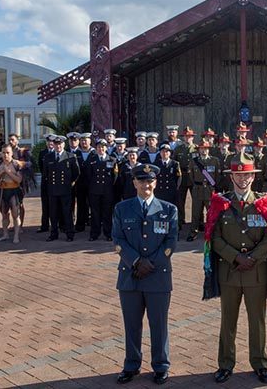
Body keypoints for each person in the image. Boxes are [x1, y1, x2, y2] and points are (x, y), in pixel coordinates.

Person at [202, 154, 267, 385]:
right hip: (229, 271)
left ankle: (260, 363)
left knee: (257, 321)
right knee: (228, 321)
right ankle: (225, 364)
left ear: (253, 176)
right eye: (238, 174)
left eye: (246, 174)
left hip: (256, 273)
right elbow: (213, 238)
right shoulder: (220, 203)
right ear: (232, 177)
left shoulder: (264, 203)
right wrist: (236, 257)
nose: (243, 179)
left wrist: (252, 259)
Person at [112, 163, 178, 385]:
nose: (146, 184)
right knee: (131, 324)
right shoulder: (122, 208)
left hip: (158, 275)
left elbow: (171, 242)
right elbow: (118, 240)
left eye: (150, 181)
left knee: (159, 324)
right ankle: (131, 365)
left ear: (156, 182)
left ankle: (160, 365)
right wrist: (137, 262)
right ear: (134, 183)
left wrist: (150, 264)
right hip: (130, 275)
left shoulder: (169, 210)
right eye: (141, 181)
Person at [46, 136, 80, 242]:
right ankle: (54, 233)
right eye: (56, 144)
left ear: (64, 145)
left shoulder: (70, 156)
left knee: (67, 213)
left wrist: (70, 183)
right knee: (53, 213)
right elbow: (46, 173)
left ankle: (70, 234)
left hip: (65, 189)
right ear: (54, 145)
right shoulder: (48, 157)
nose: (58, 146)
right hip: (53, 189)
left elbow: (76, 173)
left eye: (60, 144)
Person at [187, 141, 219, 241]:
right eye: (201, 148)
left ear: (208, 149)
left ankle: (212, 232)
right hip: (198, 189)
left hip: (210, 190)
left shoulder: (215, 161)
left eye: (205, 148)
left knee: (211, 212)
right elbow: (191, 176)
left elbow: (217, 176)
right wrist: (198, 184)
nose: (203, 150)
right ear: (199, 150)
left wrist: (212, 186)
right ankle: (193, 232)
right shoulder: (194, 161)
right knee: (196, 212)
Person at [0, 145, 24, 244]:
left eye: (8, 153)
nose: (5, 155)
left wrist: (8, 172)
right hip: (2, 191)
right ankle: (5, 234)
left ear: (12, 153)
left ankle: (16, 236)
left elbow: (19, 180)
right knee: (4, 215)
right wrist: (1, 173)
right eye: (4, 153)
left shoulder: (16, 164)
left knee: (15, 214)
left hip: (14, 191)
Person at [88, 139, 118, 242]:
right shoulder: (91, 159)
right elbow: (88, 175)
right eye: (99, 147)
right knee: (95, 213)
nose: (101, 149)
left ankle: (108, 233)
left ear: (106, 148)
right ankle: (94, 234)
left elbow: (115, 176)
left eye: (103, 147)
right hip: (94, 190)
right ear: (96, 148)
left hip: (107, 191)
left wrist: (110, 187)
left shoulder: (112, 160)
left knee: (107, 213)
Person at [172, 127, 196, 227]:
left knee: (196, 200)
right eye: (186, 137)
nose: (187, 138)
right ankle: (181, 220)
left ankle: (196, 222)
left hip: (193, 176)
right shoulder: (178, 149)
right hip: (182, 175)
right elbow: (174, 163)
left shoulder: (197, 148)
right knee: (181, 200)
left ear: (192, 138)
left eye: (189, 136)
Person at [74, 132, 95, 233]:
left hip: (92, 184)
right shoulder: (76, 154)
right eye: (82, 140)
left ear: (90, 141)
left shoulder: (95, 153)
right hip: (80, 184)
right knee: (81, 205)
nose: (83, 142)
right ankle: (80, 225)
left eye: (85, 140)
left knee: (93, 204)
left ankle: (94, 225)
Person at [36, 134, 55, 233]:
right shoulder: (42, 153)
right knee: (45, 205)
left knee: (55, 205)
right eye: (48, 141)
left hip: (55, 183)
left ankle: (57, 225)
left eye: (52, 142)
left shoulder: (57, 153)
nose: (50, 143)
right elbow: (41, 167)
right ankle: (45, 226)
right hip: (45, 182)